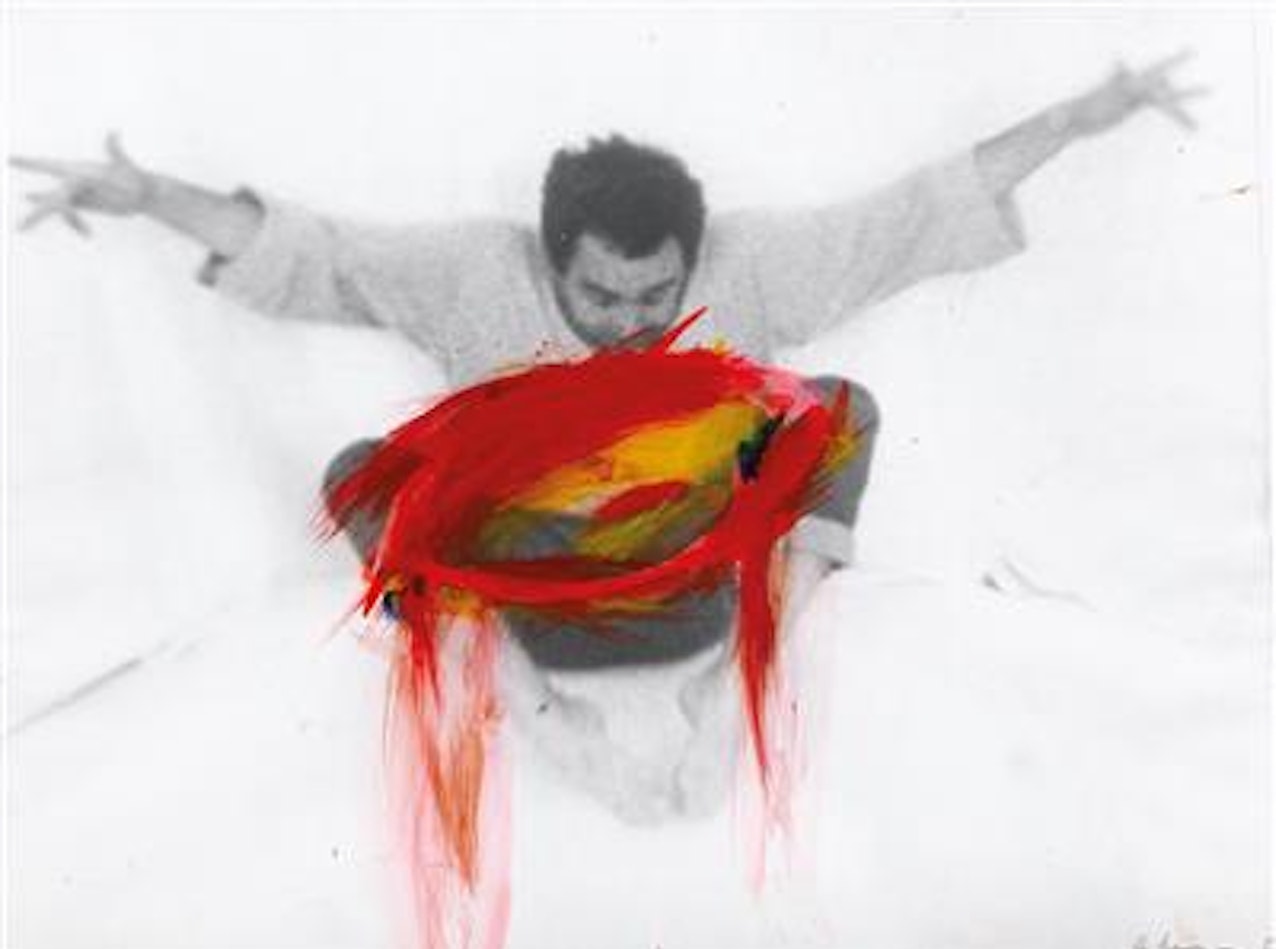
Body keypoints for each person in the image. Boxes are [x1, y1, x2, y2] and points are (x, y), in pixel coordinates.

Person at [10, 53, 1204, 823]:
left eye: (656, 293)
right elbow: (317, 255)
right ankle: (537, 712)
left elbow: (905, 217)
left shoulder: (749, 264)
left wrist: (1075, 119)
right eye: (601, 296)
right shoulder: (472, 273)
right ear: (549, 260)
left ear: (691, 257)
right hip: (533, 596)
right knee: (358, 474)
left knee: (838, 407)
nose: (632, 320)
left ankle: (745, 693)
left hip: (696, 589)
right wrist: (151, 197)